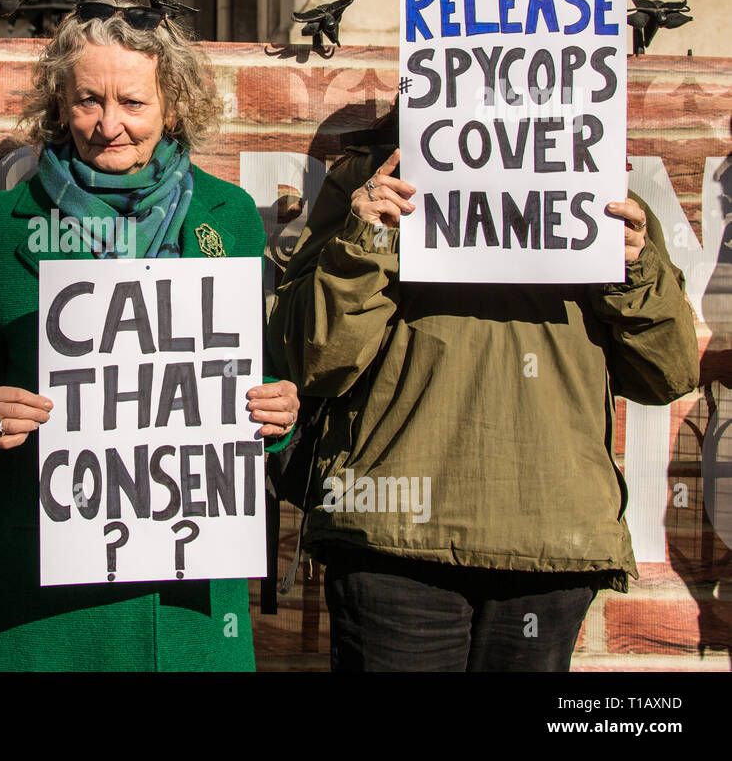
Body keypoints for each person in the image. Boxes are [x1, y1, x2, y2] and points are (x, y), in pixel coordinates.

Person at [0, 0, 300, 671]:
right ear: (60, 105)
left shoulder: (230, 217)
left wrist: (280, 412)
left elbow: (258, 376)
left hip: (189, 601)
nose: (108, 125)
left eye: (133, 102)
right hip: (44, 601)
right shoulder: (2, 225)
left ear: (173, 107)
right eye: (88, 101)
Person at [267, 110, 699, 671]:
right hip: (392, 537)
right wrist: (368, 235)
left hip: (548, 540)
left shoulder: (601, 192)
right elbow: (315, 358)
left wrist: (635, 269)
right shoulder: (375, 180)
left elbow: (666, 373)